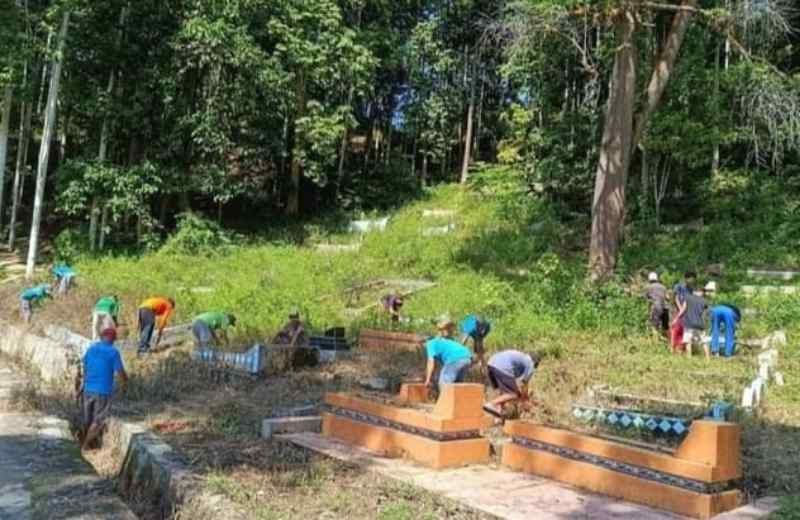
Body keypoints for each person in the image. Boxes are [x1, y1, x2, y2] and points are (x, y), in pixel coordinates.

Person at [75, 327, 128, 450]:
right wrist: (125, 384)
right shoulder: (113, 352)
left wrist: (81, 385)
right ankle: (85, 445)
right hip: (103, 391)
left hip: (88, 389)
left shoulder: (91, 349)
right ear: (113, 339)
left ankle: (84, 441)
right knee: (98, 420)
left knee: (87, 419)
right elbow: (120, 372)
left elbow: (84, 367)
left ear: (101, 337)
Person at [483, 350, 540, 417]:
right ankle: (492, 404)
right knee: (513, 394)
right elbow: (524, 384)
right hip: (502, 367)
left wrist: (520, 394)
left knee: (505, 393)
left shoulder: (522, 358)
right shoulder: (530, 363)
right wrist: (525, 400)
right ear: (536, 362)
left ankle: (498, 412)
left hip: (491, 363)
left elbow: (516, 383)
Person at [424, 318, 473, 390]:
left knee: (444, 384)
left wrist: (428, 379)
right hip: (467, 357)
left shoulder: (430, 344)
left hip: (455, 359)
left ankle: (445, 397)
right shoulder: (445, 341)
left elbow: (430, 362)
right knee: (456, 385)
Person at [673, 287, 708, 359]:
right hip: (700, 324)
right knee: (704, 341)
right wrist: (704, 324)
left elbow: (683, 309)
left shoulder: (688, 298)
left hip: (689, 323)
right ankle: (707, 358)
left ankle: (689, 357)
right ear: (701, 292)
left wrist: (676, 318)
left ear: (694, 291)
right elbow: (704, 315)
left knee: (688, 341)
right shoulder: (704, 301)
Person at [670, 271, 696, 351]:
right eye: (691, 279)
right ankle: (672, 348)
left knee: (683, 329)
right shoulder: (678, 286)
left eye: (693, 280)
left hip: (685, 311)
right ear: (686, 278)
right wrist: (680, 309)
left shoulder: (690, 289)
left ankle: (680, 349)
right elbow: (676, 298)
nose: (692, 281)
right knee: (675, 329)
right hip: (677, 310)